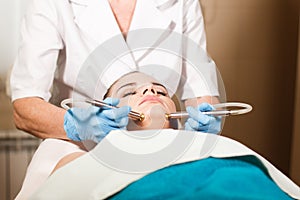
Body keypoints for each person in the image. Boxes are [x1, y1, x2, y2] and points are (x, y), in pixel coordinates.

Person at [29, 72, 299, 199]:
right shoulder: (84, 158)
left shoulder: (211, 145)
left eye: (161, 91)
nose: (150, 91)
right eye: (129, 92)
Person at [10, 0, 220, 146]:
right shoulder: (54, 3)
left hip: (163, 143)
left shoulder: (181, 2)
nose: (149, 90)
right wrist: (81, 125)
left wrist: (205, 120)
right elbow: (25, 106)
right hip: (78, 147)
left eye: (161, 93)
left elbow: (200, 88)